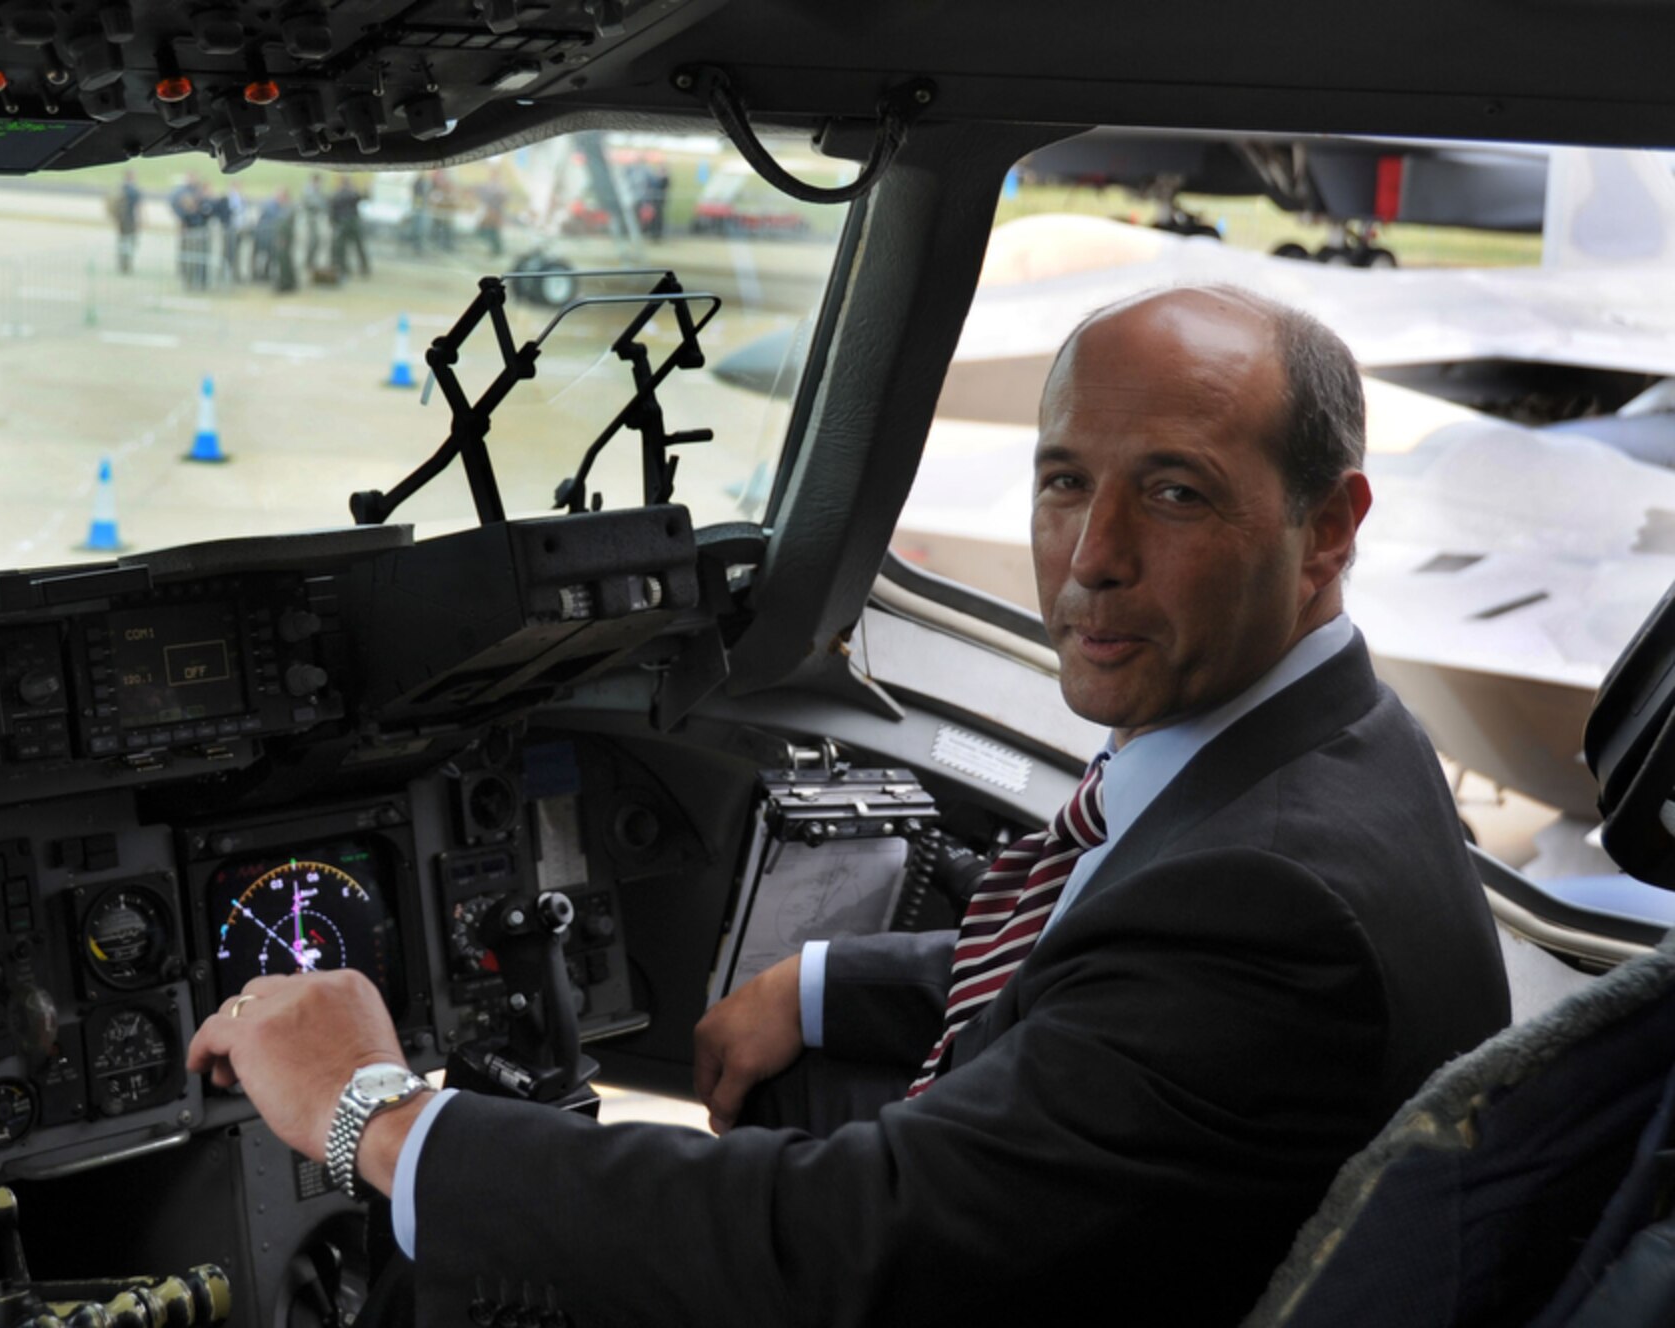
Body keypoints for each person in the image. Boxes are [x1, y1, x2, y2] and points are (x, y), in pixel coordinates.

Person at [187, 286, 1512, 1326]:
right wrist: (822, 983)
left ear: (1331, 526)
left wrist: (382, 1117)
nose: (1094, 557)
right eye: (1063, 480)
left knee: (464, 1284)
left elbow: (846, 1254)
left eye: (1174, 491)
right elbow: (1120, 983)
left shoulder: (1269, 909)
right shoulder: (1331, 749)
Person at [328, 176, 370, 279]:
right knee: (359, 246)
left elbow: (332, 211)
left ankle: (343, 268)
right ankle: (364, 267)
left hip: (342, 223)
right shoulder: (352, 193)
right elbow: (363, 197)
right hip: (353, 222)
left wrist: (333, 223)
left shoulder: (337, 195)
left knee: (341, 248)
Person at [109, 169, 142, 275]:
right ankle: (127, 265)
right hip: (130, 220)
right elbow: (138, 207)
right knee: (129, 243)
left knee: (122, 243)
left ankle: (122, 265)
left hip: (121, 220)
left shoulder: (120, 188)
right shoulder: (134, 190)